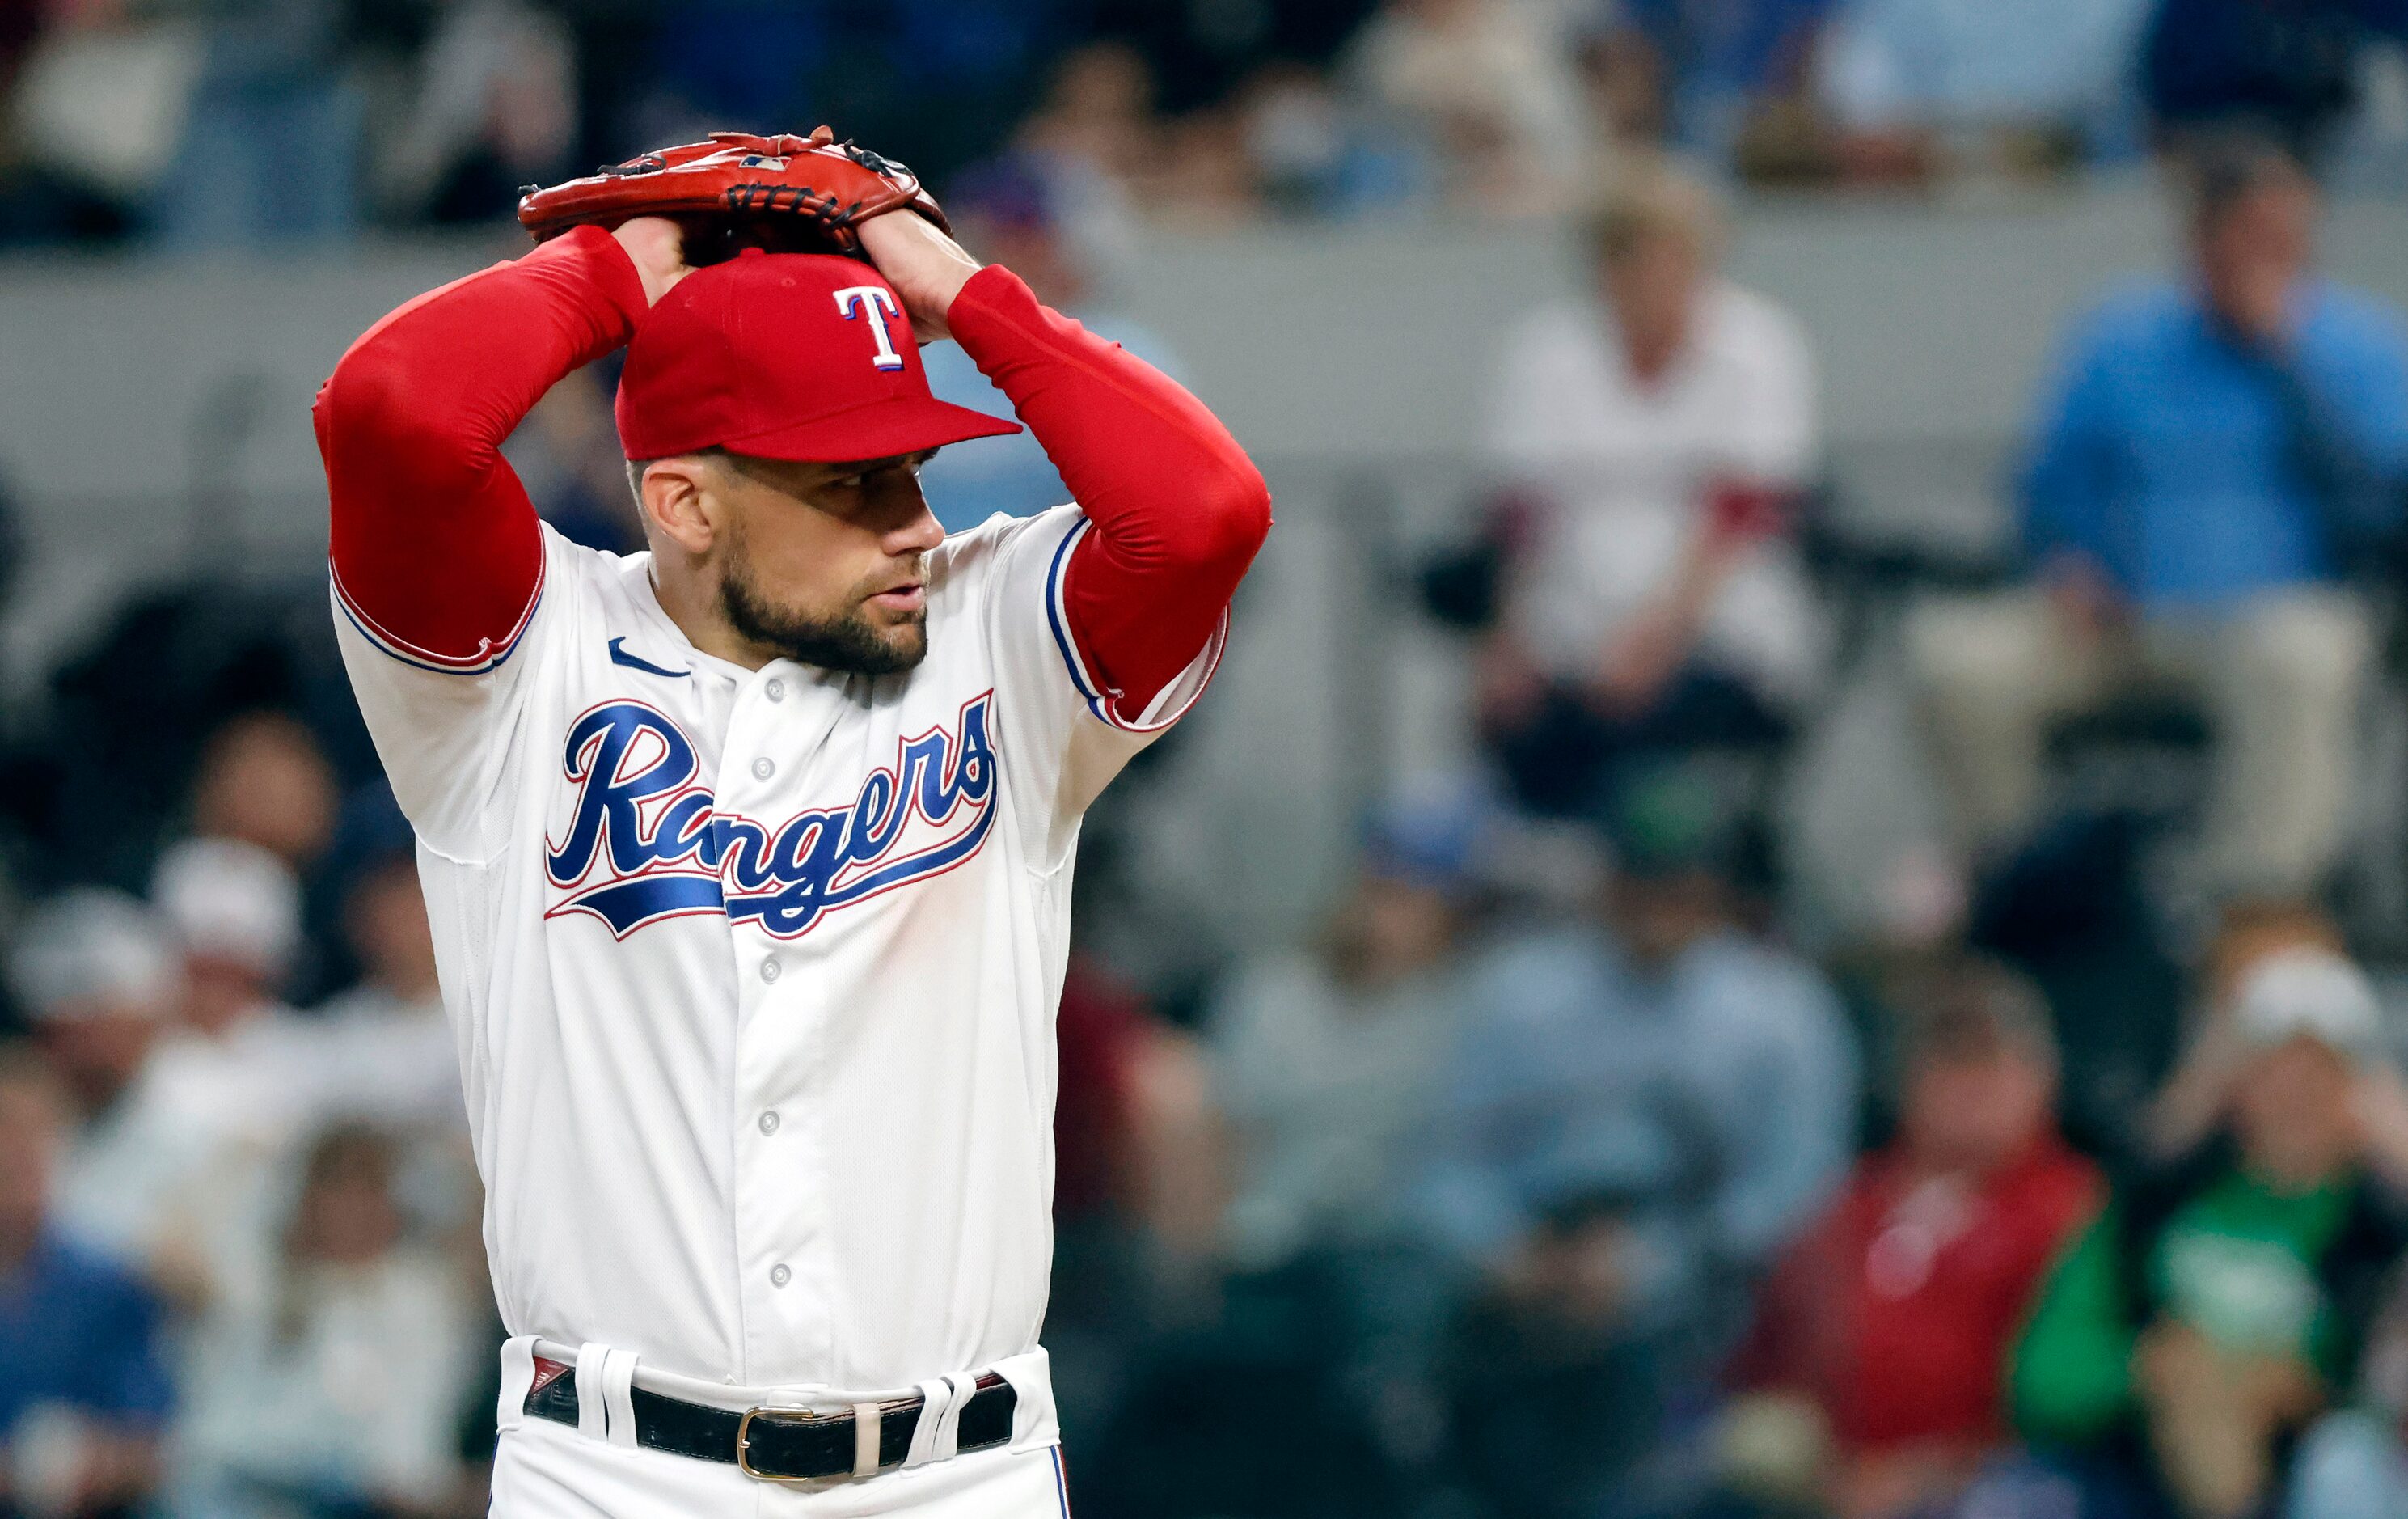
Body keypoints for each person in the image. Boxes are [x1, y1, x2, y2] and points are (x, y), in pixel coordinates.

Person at [311, 130, 1270, 1514]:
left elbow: (1205, 514)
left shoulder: (992, 634)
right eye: (848, 482)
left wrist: (946, 283)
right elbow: (391, 411)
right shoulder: (525, 665)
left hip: (959, 1469)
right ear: (685, 501)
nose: (911, 522)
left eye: (912, 464)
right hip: (614, 1469)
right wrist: (627, 258)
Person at [1908, 136, 2408, 899]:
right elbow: (2048, 489)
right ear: (2199, 240)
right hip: (2122, 621)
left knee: (2300, 659)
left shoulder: (2358, 346)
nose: (2267, 256)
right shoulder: (2120, 339)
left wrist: (2283, 362)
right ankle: (2036, 887)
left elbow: (2377, 508)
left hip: (2269, 616)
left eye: (2283, 238)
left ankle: (2250, 904)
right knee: (1955, 662)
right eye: (2246, 237)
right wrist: (2066, 560)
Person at [1419, 768, 1856, 1516]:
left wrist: (1658, 1261)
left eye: (1680, 884)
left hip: (1695, 1296)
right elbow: (1446, 1159)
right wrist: (1502, 1250)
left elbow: (1800, 1190)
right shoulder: (1522, 992)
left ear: (1717, 887)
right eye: (1639, 880)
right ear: (1606, 878)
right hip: (1522, 1279)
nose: (1658, 905)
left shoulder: (1780, 1013)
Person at [2011, 946, 2408, 1519]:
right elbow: (2041, 1377)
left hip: (2306, 1474)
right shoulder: (2152, 1204)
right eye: (2275, 1069)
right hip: (2133, 1463)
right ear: (2234, 1083)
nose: (2296, 1095)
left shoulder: (2382, 1228)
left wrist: (2301, 1393)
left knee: (2342, 1465)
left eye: (2321, 1072)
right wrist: (2150, 1368)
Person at [1479, 163, 1826, 818]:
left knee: (1639, 739)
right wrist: (1507, 640)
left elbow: (1741, 513)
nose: (1658, 281)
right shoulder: (1546, 352)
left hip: (1721, 635)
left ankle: (1665, 893)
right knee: (1517, 733)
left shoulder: (1759, 346)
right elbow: (1521, 518)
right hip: (1569, 632)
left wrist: (1655, 643)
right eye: (1635, 261)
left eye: (1676, 259)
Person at [1726, 957, 2102, 1519]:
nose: (1970, 1085)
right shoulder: (1854, 1202)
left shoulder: (2072, 1207)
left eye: (1992, 1062)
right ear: (1905, 1080)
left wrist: (1931, 1470)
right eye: (1948, 1062)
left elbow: (2060, 1387)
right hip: (1831, 1470)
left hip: (1998, 1478)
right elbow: (1772, 1351)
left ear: (2041, 1078)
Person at [170, 1123, 482, 1519]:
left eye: (368, 1188)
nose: (350, 1207)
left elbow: (411, 1463)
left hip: (366, 1502)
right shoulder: (256, 1280)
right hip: (234, 1490)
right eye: (336, 1187)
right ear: (306, 1197)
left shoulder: (422, 1300)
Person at [0, 1047, 174, 1519]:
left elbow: (152, 1447)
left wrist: (80, 1462)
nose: (16, 1161)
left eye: (31, 1141)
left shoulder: (109, 1287)